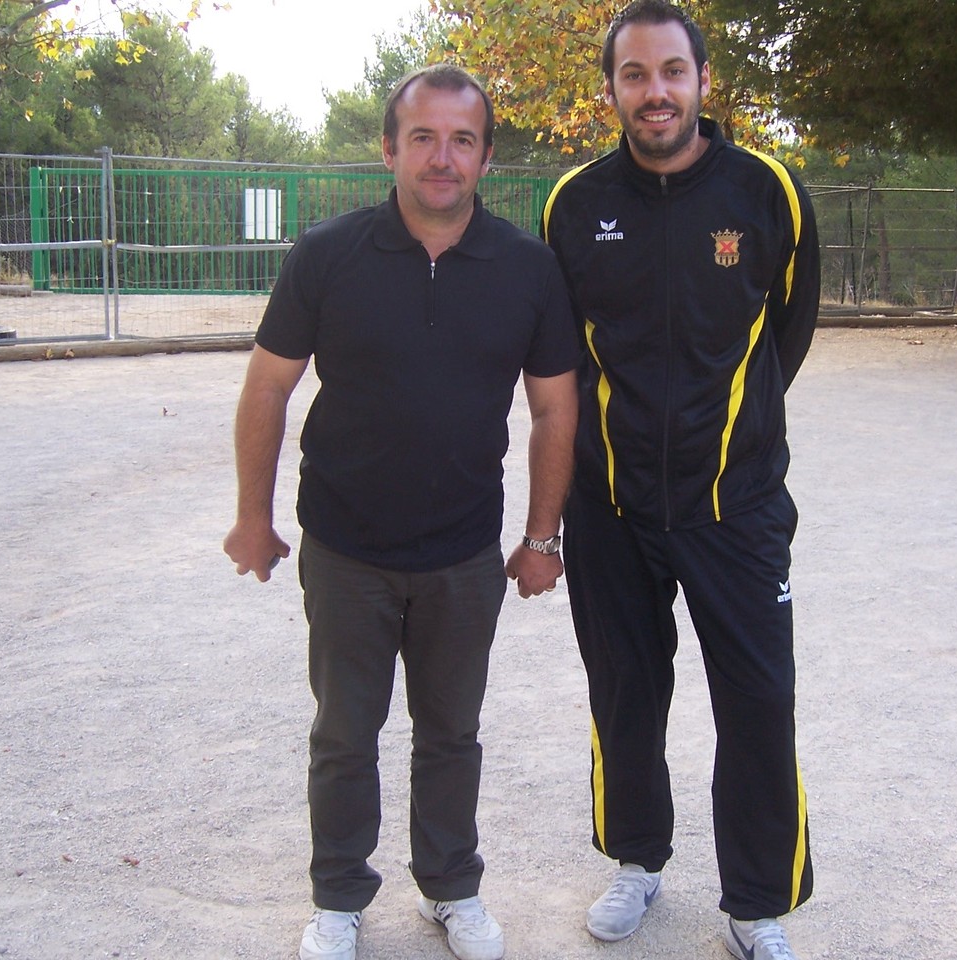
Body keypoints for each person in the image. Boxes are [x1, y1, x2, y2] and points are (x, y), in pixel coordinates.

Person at [223, 64, 579, 960]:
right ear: (389, 149)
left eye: (462, 140)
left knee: (451, 735)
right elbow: (267, 387)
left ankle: (451, 887)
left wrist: (541, 538)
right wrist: (252, 517)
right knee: (345, 735)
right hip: (346, 550)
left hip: (463, 555)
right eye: (423, 137)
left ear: (487, 158)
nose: (441, 158)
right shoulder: (326, 255)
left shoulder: (529, 269)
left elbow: (554, 409)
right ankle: (339, 897)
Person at [540, 2, 821, 958]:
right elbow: (562, 356)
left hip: (736, 509)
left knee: (759, 701)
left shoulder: (768, 192)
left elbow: (786, 335)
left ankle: (757, 905)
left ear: (702, 80)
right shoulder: (573, 204)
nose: (654, 91)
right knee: (625, 692)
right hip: (611, 509)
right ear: (612, 89)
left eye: (671, 72)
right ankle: (637, 859)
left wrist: (730, 435)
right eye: (635, 74)